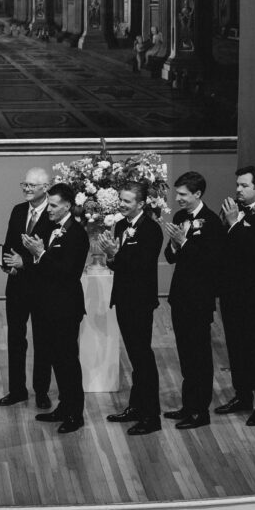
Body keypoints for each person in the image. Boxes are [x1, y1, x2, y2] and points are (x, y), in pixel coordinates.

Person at [99, 182, 163, 435]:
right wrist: (112, 256)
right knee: (136, 358)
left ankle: (151, 416)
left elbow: (142, 266)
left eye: (127, 201)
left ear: (141, 203)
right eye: (121, 200)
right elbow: (119, 265)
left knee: (143, 357)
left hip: (140, 302)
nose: (122, 205)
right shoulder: (122, 225)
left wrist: (117, 254)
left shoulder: (151, 230)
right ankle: (136, 407)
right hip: (124, 299)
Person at [162, 172, 223, 429]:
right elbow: (170, 256)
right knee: (185, 355)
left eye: (183, 194)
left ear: (197, 194)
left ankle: (200, 411)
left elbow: (210, 262)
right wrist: (176, 246)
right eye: (178, 194)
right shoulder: (180, 217)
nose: (178, 199)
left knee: (200, 356)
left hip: (199, 298)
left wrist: (184, 242)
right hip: (181, 297)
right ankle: (188, 405)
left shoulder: (211, 222)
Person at [31, 183, 89, 434]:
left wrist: (41, 254)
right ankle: (64, 407)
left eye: (53, 205)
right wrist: (36, 254)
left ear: (67, 205)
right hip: (48, 306)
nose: (49, 209)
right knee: (56, 359)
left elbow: (68, 273)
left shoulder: (77, 234)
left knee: (68, 362)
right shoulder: (52, 228)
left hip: (65, 308)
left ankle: (76, 414)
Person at [0, 167, 53, 409]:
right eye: (25, 184)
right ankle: (17, 389)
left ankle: (41, 391)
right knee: (15, 339)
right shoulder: (18, 210)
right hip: (17, 285)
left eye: (32, 185)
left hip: (42, 288)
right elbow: (10, 243)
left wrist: (27, 262)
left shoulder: (53, 215)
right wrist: (7, 264)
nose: (26, 189)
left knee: (43, 340)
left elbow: (52, 256)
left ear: (45, 188)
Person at [216, 165, 255, 424]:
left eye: (244, 185)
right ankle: (242, 394)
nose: (238, 189)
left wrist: (234, 224)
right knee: (236, 345)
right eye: (238, 185)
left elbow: (254, 250)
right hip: (233, 292)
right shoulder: (235, 210)